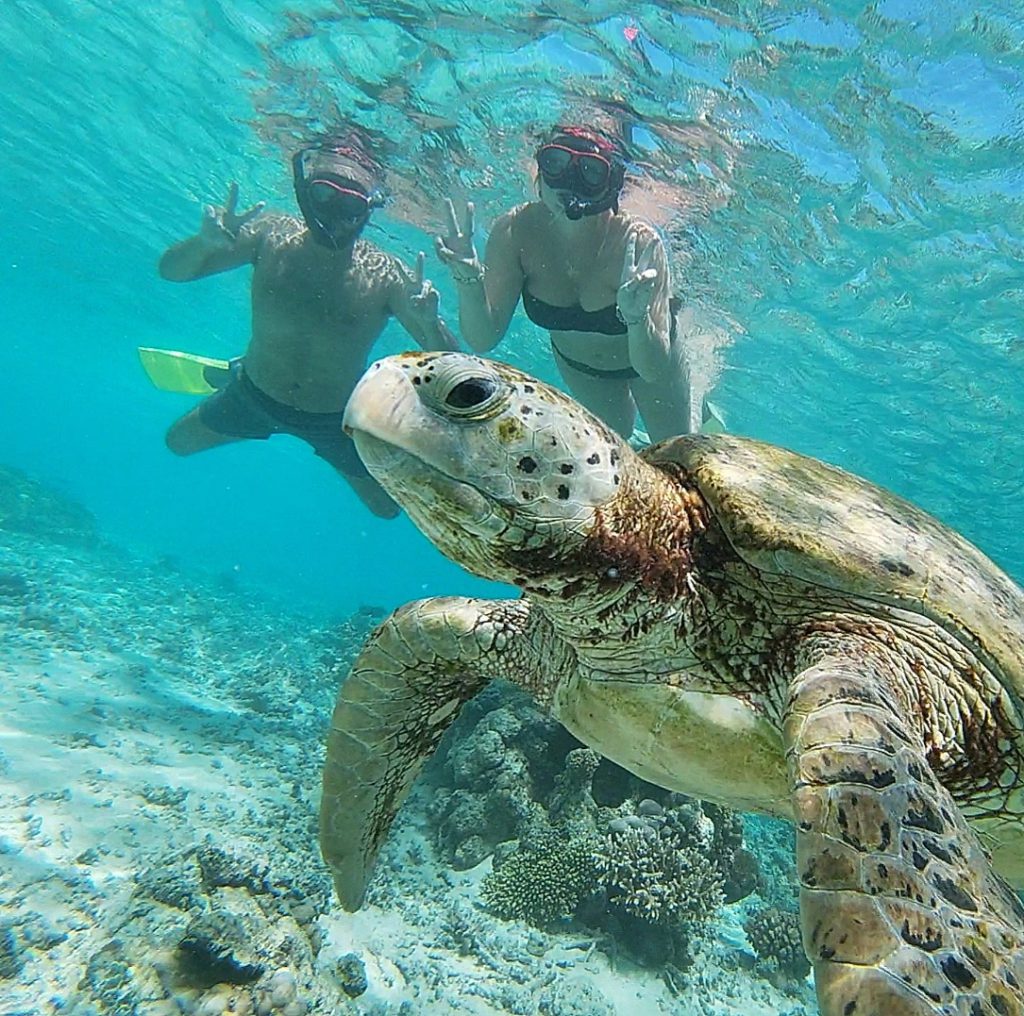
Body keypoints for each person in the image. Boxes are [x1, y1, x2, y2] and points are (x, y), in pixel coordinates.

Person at [157, 140, 460, 519]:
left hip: (332, 418)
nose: (333, 213)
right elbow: (170, 271)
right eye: (323, 193)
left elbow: (451, 362)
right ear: (304, 189)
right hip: (254, 394)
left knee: (386, 509)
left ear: (367, 210)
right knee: (177, 442)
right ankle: (237, 369)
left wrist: (430, 323)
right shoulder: (269, 235)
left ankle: (236, 368)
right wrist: (202, 245)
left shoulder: (390, 276)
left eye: (350, 204)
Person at [434, 125, 700, 443]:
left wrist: (637, 318)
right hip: (581, 369)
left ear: (611, 184)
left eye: (590, 171)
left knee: (675, 449)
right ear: (540, 172)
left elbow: (653, 367)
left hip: (653, 362)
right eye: (556, 163)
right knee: (616, 441)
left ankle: (701, 414)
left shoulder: (637, 244)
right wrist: (468, 282)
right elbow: (483, 338)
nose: (569, 183)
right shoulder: (515, 232)